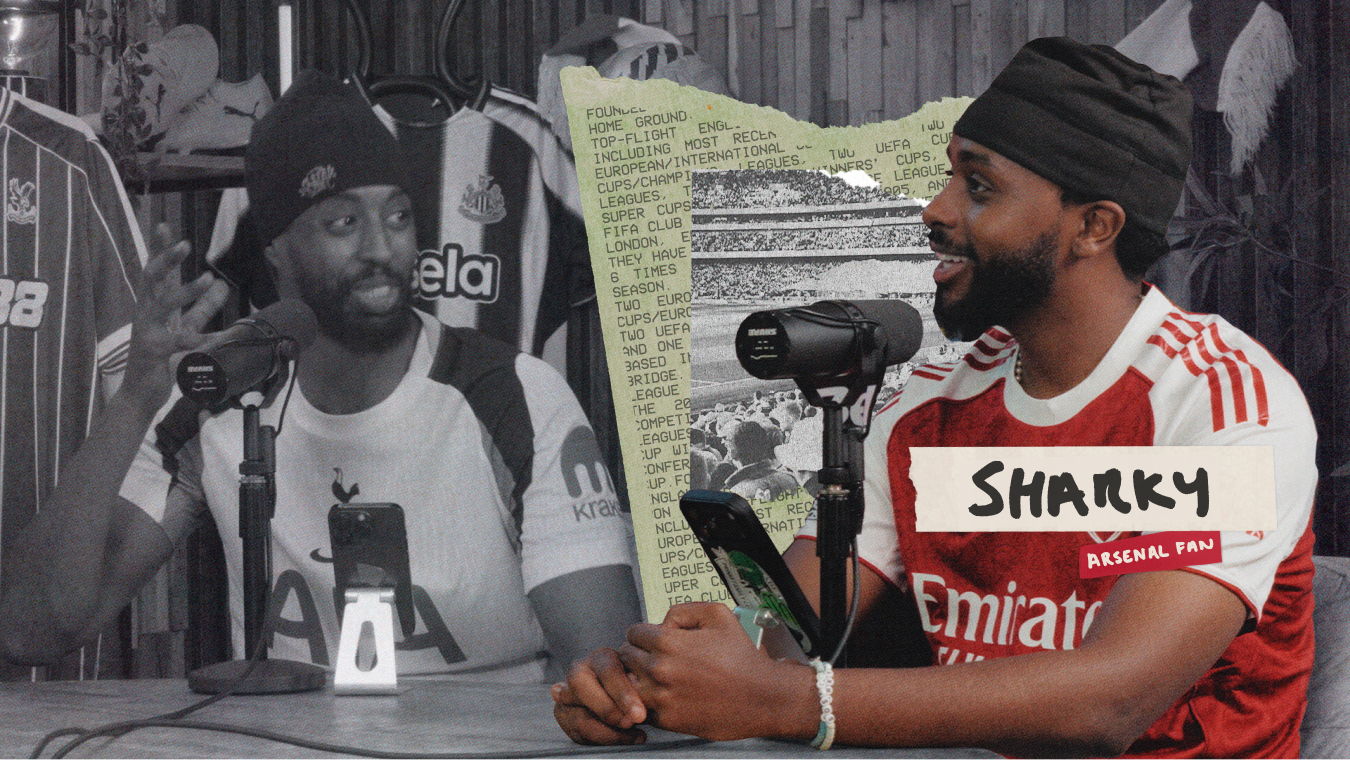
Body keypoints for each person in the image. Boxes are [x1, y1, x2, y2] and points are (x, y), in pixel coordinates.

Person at [552, 37, 1316, 757]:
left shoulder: (1219, 406)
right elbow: (782, 641)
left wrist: (787, 701)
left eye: (978, 186)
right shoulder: (928, 404)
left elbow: (1110, 702)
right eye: (951, 175)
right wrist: (653, 686)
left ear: (1093, 227)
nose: (937, 210)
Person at [0, 70, 640, 683]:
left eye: (397, 217)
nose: (381, 251)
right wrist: (136, 401)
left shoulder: (516, 396)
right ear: (275, 248)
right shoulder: (217, 400)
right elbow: (34, 630)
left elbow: (607, 671)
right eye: (343, 223)